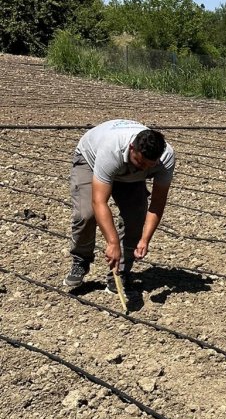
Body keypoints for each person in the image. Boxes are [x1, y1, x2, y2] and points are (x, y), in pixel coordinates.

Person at [63, 119, 176, 298]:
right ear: (132, 148)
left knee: (136, 216)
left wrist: (145, 239)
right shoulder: (111, 150)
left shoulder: (165, 157)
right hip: (90, 159)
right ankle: (81, 260)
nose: (144, 169)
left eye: (149, 166)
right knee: (86, 215)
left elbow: (157, 204)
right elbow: (99, 202)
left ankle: (119, 273)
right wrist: (112, 243)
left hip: (124, 171)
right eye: (140, 163)